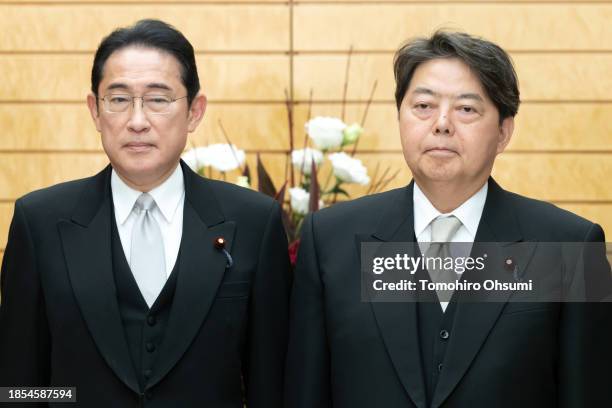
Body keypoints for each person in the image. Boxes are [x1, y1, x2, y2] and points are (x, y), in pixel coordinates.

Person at [285, 30, 611, 408]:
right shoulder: (330, 240)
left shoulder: (568, 245)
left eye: (466, 109)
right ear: (400, 118)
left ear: (503, 132)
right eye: (423, 106)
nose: (441, 123)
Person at [0, 19, 290, 407]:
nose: (137, 121)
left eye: (158, 99)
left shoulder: (255, 222)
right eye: (118, 99)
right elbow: (22, 383)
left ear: (194, 112)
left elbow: (270, 384)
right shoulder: (40, 222)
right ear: (95, 110)